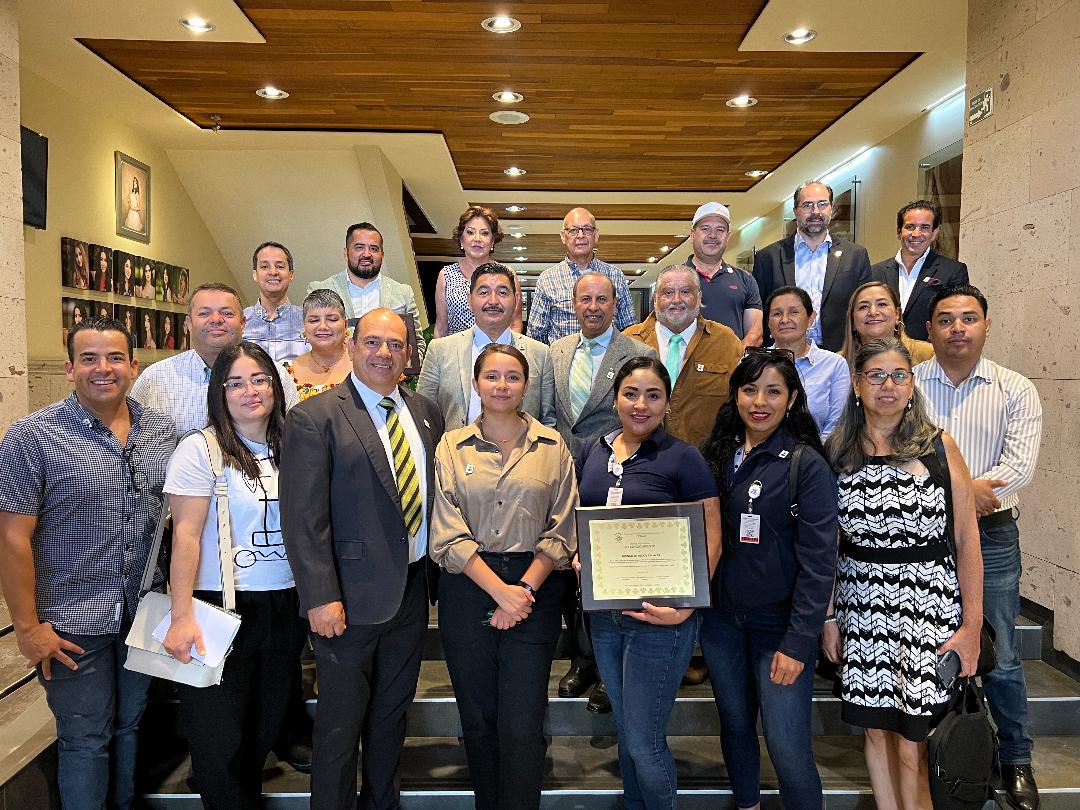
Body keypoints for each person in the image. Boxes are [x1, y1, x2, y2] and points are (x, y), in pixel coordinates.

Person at [0, 317, 175, 810]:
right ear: (69, 366)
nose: (104, 369)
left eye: (115, 357)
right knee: (85, 740)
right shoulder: (32, 437)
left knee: (128, 726)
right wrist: (27, 628)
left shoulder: (160, 432)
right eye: (90, 358)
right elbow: (12, 538)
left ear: (134, 365)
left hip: (143, 613)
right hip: (71, 622)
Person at [280, 308, 444, 810]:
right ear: (352, 347)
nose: (383, 353)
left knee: (391, 717)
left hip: (412, 591)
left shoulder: (425, 412)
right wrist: (321, 598)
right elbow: (304, 521)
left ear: (409, 355)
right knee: (338, 726)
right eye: (373, 342)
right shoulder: (315, 417)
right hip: (345, 603)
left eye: (395, 345)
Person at [822, 337, 984, 809]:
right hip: (863, 609)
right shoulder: (837, 452)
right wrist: (828, 617)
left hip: (926, 609)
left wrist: (972, 626)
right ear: (856, 385)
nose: (887, 386)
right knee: (875, 731)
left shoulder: (939, 446)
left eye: (898, 376)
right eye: (875, 375)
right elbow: (827, 547)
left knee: (914, 739)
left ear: (912, 385)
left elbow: (967, 541)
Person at [162, 341, 308, 810]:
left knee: (262, 730)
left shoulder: (294, 444)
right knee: (218, 738)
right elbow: (185, 538)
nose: (250, 391)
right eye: (237, 382)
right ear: (219, 391)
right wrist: (181, 616)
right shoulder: (200, 449)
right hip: (218, 605)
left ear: (275, 385)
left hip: (284, 604)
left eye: (260, 379)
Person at [430, 343, 576, 810]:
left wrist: (524, 590)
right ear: (475, 384)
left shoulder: (553, 447)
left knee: (522, 717)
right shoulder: (451, 446)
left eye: (512, 377)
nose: (501, 385)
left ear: (526, 386)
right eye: (491, 377)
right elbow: (447, 531)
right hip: (468, 587)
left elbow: (562, 528)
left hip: (535, 586)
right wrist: (501, 594)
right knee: (478, 715)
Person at [915, 284, 1043, 809]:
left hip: (991, 538)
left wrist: (954, 493)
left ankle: (1015, 758)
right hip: (920, 536)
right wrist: (966, 491)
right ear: (929, 331)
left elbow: (1017, 470)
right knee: (924, 650)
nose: (957, 328)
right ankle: (941, 754)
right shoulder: (909, 384)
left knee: (1003, 653)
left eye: (968, 319)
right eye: (945, 320)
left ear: (987, 325)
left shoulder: (1015, 389)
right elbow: (895, 458)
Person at [577, 356, 722, 809]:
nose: (641, 405)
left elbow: (711, 539)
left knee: (644, 741)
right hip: (606, 619)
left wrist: (685, 608)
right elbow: (583, 522)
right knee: (627, 734)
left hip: (662, 621)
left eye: (653, 395)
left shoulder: (685, 458)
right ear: (615, 397)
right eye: (631, 393)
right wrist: (582, 556)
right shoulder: (594, 452)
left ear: (667, 401)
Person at [698, 349, 838, 810]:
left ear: (792, 398)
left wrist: (800, 643)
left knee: (786, 743)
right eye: (750, 389)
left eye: (773, 391)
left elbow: (820, 564)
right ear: (735, 395)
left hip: (778, 629)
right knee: (735, 726)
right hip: (720, 623)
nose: (760, 401)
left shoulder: (806, 465)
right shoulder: (715, 455)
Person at [548, 272, 657, 710]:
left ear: (616, 304)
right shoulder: (555, 352)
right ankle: (583, 658)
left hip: (617, 474)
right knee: (572, 570)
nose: (593, 307)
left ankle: (613, 670)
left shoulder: (637, 352)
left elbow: (647, 415)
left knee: (615, 572)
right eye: (584, 299)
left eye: (602, 299)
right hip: (564, 477)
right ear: (573, 304)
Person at [131, 282, 301, 436]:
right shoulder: (153, 379)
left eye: (226, 313)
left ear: (243, 323)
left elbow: (296, 439)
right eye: (204, 313)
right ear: (188, 324)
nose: (216, 320)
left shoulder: (275, 375)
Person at [418, 263, 554, 430]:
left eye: (502, 293)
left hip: (523, 454)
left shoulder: (541, 354)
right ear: (469, 300)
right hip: (455, 453)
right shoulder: (440, 350)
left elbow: (548, 421)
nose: (493, 301)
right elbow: (423, 415)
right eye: (484, 292)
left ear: (517, 300)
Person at [623, 265, 743, 448]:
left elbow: (739, 403)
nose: (676, 300)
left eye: (686, 292)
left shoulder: (725, 342)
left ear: (699, 297)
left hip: (707, 461)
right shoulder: (629, 341)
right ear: (655, 299)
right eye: (668, 293)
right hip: (639, 460)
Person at [753, 182, 872, 351]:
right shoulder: (768, 257)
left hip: (840, 354)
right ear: (796, 211)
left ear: (831, 209)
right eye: (808, 205)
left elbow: (863, 307)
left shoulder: (856, 255)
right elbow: (761, 313)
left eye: (822, 204)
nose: (816, 211)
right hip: (785, 355)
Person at [308, 221, 427, 361]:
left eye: (374, 249)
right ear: (346, 252)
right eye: (359, 247)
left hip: (389, 377)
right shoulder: (320, 290)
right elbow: (310, 342)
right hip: (336, 379)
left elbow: (416, 344)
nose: (367, 254)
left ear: (382, 254)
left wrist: (399, 373)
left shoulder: (403, 293)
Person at [527, 208, 638, 344]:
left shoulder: (615, 276)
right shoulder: (547, 279)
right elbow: (536, 336)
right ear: (563, 236)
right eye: (573, 230)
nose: (580, 235)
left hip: (609, 362)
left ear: (596, 235)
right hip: (564, 363)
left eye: (587, 229)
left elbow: (629, 330)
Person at [871, 200, 968, 341]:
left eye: (924, 227)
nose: (916, 234)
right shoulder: (875, 272)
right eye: (910, 227)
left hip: (930, 356)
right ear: (899, 231)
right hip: (882, 355)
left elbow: (956, 317)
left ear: (934, 233)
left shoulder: (953, 271)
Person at [766, 286, 849, 439]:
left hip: (817, 456)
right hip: (760, 457)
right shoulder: (750, 362)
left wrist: (811, 459)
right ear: (768, 322)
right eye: (777, 314)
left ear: (811, 318)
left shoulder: (834, 365)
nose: (784, 320)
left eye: (794, 312)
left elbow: (836, 426)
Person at [682, 202, 762, 346]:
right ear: (693, 235)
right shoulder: (673, 278)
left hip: (733, 366)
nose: (713, 235)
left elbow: (755, 333)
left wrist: (735, 362)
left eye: (720, 230)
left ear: (728, 236)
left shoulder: (746, 280)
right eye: (705, 229)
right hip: (683, 367)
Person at [434, 206, 522, 337]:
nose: (477, 238)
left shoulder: (507, 274)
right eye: (470, 232)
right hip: (457, 353)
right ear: (461, 239)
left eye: (484, 233)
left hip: (498, 353)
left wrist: (504, 354)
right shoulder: (446, 275)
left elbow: (515, 324)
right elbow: (441, 327)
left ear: (492, 240)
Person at [840, 280, 934, 367]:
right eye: (863, 307)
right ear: (852, 321)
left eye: (882, 304)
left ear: (897, 314)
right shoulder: (836, 363)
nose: (873, 312)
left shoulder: (930, 354)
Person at [280, 289, 352, 401]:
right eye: (314, 320)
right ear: (304, 326)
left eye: (332, 319)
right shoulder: (285, 372)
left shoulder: (365, 362)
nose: (323, 326)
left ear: (345, 324)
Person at [243, 241, 307, 363]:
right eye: (264, 267)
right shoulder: (240, 322)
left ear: (291, 274)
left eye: (280, 266)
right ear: (255, 275)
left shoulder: (307, 321)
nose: (273, 272)